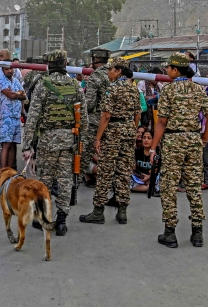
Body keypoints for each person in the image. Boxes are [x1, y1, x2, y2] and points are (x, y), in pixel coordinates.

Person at [150, 53, 208, 248]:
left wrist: (153, 148)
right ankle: (197, 233)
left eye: (168, 68)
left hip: (172, 141)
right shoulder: (198, 89)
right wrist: (203, 139)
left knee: (169, 187)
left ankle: (170, 233)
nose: (166, 70)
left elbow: (161, 121)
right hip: (193, 140)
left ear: (176, 69)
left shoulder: (169, 91)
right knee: (194, 185)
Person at [22, 50, 85, 236]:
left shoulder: (42, 85)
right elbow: (84, 119)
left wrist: (27, 146)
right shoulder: (75, 85)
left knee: (45, 180)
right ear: (65, 63)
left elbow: (32, 118)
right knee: (66, 180)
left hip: (47, 141)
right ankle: (62, 221)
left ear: (48, 64)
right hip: (69, 141)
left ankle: (44, 218)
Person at [80, 57, 141, 225]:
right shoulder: (133, 89)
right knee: (124, 170)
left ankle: (98, 211)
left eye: (111, 70)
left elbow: (106, 116)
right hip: (128, 131)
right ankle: (122, 211)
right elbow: (138, 113)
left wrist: (98, 138)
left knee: (106, 170)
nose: (108, 73)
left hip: (113, 131)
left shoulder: (112, 89)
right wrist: (132, 131)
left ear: (118, 71)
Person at [81, 48, 112, 186]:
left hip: (95, 122)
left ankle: (73, 189)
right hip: (112, 121)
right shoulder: (114, 74)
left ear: (94, 59)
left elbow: (89, 102)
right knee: (108, 156)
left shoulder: (96, 76)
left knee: (84, 155)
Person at [0, 64, 26, 170]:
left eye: (11, 68)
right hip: (6, 117)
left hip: (16, 117)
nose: (9, 70)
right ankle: (3, 170)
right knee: (6, 145)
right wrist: (17, 94)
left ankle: (10, 170)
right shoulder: (1, 81)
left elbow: (24, 95)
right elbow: (11, 95)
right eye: (6, 69)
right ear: (2, 70)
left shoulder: (16, 81)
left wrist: (16, 94)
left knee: (13, 144)